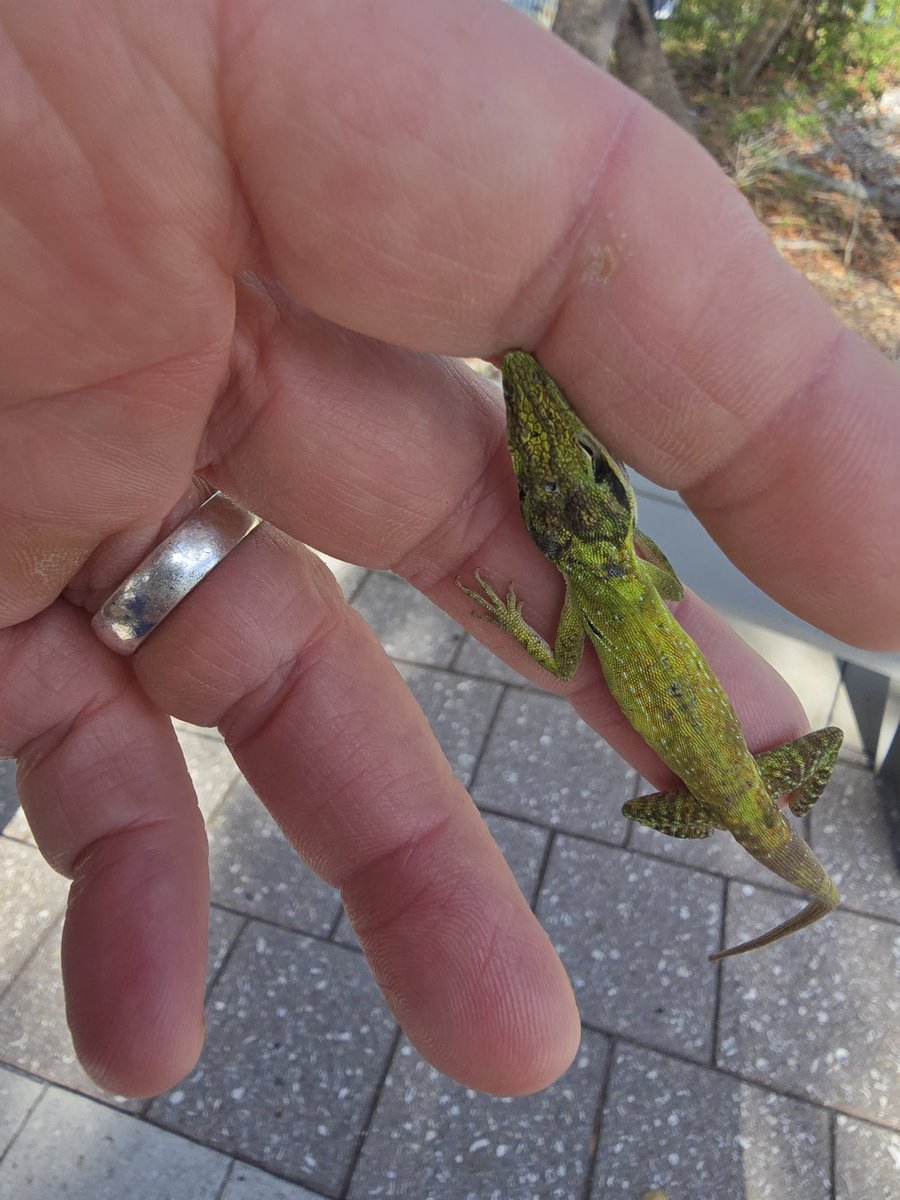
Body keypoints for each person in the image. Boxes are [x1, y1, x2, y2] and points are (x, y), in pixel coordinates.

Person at [1, 0, 897, 1100]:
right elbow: (575, 639)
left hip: (657, 661)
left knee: (719, 784)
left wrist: (535, 615)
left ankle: (802, 876)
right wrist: (647, 779)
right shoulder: (624, 583)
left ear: (586, 523)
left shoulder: (599, 589)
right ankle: (787, 865)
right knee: (705, 781)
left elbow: (564, 642)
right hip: (695, 726)